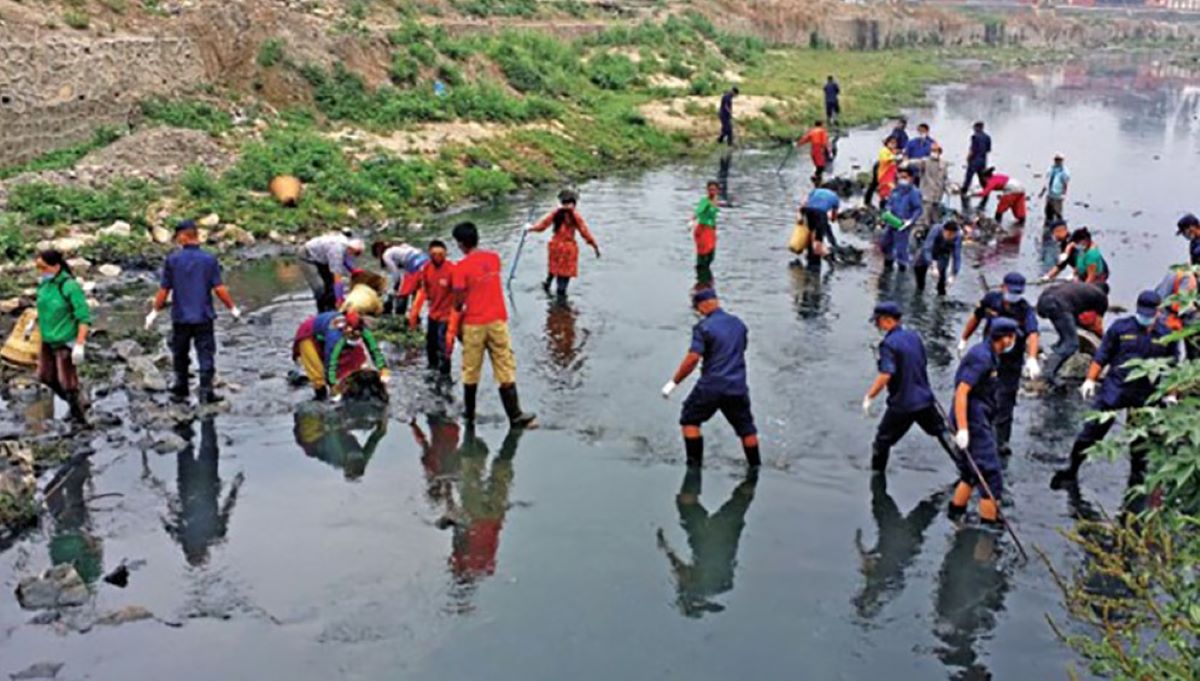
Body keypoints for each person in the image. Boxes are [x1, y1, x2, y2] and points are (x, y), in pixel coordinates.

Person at [1050, 291, 1182, 489]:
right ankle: (1072, 468)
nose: (1145, 317)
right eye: (1143, 312)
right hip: (1115, 388)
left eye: (1150, 313)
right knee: (1091, 431)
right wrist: (1089, 379)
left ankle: (1136, 480)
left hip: (1145, 394)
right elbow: (1102, 355)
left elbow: (1173, 368)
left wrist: (1172, 395)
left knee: (1140, 441)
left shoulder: (1167, 335)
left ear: (1158, 312)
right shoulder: (1121, 328)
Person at [448, 221, 536, 428]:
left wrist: (453, 328)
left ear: (460, 244)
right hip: (497, 321)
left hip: (474, 324)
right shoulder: (494, 259)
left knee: (471, 369)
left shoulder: (461, 268)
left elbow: (458, 302)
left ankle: (469, 415)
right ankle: (515, 415)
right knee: (504, 365)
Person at [145, 220, 241, 405]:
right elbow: (219, 288)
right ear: (196, 235)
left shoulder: (172, 260)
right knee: (205, 353)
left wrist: (154, 312)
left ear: (183, 236)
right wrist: (232, 308)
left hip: (180, 317)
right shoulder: (209, 259)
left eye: (177, 236)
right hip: (203, 316)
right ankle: (206, 392)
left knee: (180, 353)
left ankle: (181, 388)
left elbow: (164, 290)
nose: (176, 240)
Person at [661, 289, 759, 469]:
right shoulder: (739, 324)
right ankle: (755, 466)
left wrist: (673, 382)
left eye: (698, 309)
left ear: (703, 305)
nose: (699, 313)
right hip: (737, 386)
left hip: (711, 386)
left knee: (689, 420)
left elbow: (693, 358)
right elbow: (739, 350)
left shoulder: (703, 327)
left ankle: (694, 466)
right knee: (747, 429)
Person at [861, 302, 958, 473]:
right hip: (925, 399)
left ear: (887, 320)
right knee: (941, 432)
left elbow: (886, 374)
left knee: (882, 441)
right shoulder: (914, 336)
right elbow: (922, 363)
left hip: (902, 404)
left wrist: (870, 396)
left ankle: (877, 475)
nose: (877, 326)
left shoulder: (888, 344)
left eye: (878, 322)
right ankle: (965, 469)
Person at [956, 273, 1040, 456]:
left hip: (1012, 361)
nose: (1014, 296)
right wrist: (963, 339)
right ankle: (973, 431)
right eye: (1012, 291)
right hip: (990, 357)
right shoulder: (991, 301)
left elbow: (1033, 333)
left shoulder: (1025, 310)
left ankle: (1001, 442)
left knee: (1006, 400)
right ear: (1003, 287)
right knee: (982, 396)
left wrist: (1032, 358)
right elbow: (976, 318)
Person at [656, 467, 757, 618]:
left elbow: (685, 573)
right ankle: (694, 469)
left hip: (726, 535)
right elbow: (680, 568)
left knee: (741, 498)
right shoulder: (693, 589)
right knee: (686, 500)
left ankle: (753, 473)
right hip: (703, 535)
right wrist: (667, 550)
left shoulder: (723, 584)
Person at [948, 318, 1019, 524]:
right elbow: (962, 392)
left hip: (979, 416)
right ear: (1005, 339)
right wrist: (963, 429)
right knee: (991, 476)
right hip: (972, 420)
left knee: (971, 472)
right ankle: (988, 531)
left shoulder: (990, 355)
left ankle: (955, 513)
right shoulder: (982, 358)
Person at [34, 250, 91, 425]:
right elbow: (43, 306)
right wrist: (33, 322)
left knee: (67, 382)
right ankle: (77, 401)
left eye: (43, 267)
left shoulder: (69, 286)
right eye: (38, 267)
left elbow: (83, 317)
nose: (41, 271)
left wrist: (79, 344)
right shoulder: (45, 285)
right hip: (47, 337)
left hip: (65, 339)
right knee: (45, 376)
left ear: (56, 266)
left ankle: (80, 419)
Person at [293, 310, 388, 400]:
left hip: (325, 334)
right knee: (318, 374)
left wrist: (382, 368)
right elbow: (331, 363)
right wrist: (332, 385)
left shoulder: (364, 332)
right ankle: (320, 396)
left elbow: (375, 350)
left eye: (358, 336)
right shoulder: (335, 338)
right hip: (309, 335)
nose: (356, 337)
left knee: (356, 360)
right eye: (353, 337)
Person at [527, 188, 600, 298]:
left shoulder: (555, 213)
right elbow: (585, 233)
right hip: (568, 249)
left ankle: (547, 284)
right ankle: (560, 301)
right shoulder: (575, 216)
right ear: (574, 203)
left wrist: (530, 228)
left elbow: (542, 226)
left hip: (555, 246)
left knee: (554, 267)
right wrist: (594, 246)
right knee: (563, 276)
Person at [1036, 282, 1109, 385]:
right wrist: (1105, 343)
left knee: (1065, 337)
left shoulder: (1081, 290)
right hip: (1058, 304)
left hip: (1044, 301)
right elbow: (1097, 326)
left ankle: (1050, 358)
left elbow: (1075, 320)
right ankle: (1049, 373)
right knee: (1071, 344)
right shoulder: (1101, 298)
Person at [407, 239, 456, 377]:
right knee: (430, 345)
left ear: (445, 254)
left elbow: (460, 295)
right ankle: (432, 372)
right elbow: (423, 291)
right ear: (429, 254)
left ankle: (445, 376)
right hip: (433, 314)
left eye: (440, 254)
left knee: (444, 346)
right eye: (434, 254)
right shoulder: (427, 269)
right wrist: (414, 313)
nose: (437, 257)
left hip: (446, 316)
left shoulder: (452, 270)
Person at [300, 232, 365, 312]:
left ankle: (331, 307)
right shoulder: (336, 250)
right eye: (356, 254)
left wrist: (353, 270)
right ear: (351, 249)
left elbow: (345, 258)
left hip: (322, 257)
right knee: (319, 288)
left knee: (330, 286)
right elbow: (337, 278)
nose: (355, 256)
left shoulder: (346, 244)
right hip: (308, 256)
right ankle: (322, 311)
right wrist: (339, 299)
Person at [880, 167, 922, 271]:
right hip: (891, 221)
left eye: (905, 177)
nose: (902, 179)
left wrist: (910, 221)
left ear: (911, 178)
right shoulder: (896, 189)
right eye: (900, 176)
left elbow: (918, 209)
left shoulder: (914, 193)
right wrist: (888, 211)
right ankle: (888, 262)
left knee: (901, 248)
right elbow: (890, 202)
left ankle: (902, 268)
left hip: (902, 224)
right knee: (885, 243)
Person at [372, 241, 428, 315]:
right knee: (416, 290)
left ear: (378, 252)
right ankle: (415, 316)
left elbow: (395, 273)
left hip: (416, 265)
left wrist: (396, 286)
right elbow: (404, 272)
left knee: (404, 293)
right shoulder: (399, 247)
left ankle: (402, 316)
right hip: (426, 260)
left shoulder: (386, 255)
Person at [905, 143, 949, 230]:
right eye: (933, 150)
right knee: (924, 217)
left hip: (938, 195)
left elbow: (945, 178)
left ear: (940, 152)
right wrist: (906, 161)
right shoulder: (925, 162)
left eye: (936, 151)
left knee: (935, 217)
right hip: (926, 194)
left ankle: (933, 231)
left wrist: (948, 187)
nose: (934, 152)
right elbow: (915, 163)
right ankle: (921, 232)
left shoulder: (943, 164)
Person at [1041, 227, 1108, 285]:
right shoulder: (1080, 250)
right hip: (1083, 275)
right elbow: (1077, 265)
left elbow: (1091, 278)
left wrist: (1081, 288)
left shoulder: (1091, 255)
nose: (1076, 246)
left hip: (1095, 279)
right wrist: (1074, 274)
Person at [914, 220, 962, 295]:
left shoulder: (958, 236)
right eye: (948, 234)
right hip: (929, 250)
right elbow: (927, 248)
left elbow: (957, 256)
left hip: (943, 253)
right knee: (919, 269)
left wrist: (953, 275)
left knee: (942, 277)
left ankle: (941, 293)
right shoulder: (936, 229)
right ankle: (919, 290)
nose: (950, 237)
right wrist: (932, 266)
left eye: (952, 235)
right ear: (943, 231)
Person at [800, 183, 840, 260]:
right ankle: (821, 256)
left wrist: (801, 215)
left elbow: (805, 202)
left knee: (811, 231)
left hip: (808, 210)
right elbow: (833, 217)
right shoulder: (835, 197)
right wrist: (829, 219)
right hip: (820, 212)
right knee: (819, 236)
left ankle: (810, 252)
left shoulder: (816, 190)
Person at [693, 181, 721, 286]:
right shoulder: (705, 201)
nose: (712, 192)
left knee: (711, 254)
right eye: (710, 190)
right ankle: (701, 279)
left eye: (714, 190)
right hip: (703, 230)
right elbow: (699, 211)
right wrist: (693, 219)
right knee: (703, 254)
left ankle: (706, 278)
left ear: (717, 190)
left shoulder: (715, 201)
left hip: (711, 230)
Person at [796, 120, 832, 185]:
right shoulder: (822, 131)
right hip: (819, 148)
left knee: (818, 165)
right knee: (821, 166)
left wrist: (798, 144)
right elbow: (824, 141)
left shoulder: (812, 131)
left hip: (813, 149)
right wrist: (828, 150)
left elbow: (805, 139)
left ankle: (818, 179)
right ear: (821, 124)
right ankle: (816, 178)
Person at [962, 121, 991, 196]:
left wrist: (968, 158)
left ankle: (964, 191)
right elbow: (988, 149)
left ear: (977, 128)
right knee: (982, 177)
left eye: (974, 128)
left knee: (969, 177)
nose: (974, 129)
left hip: (974, 160)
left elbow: (972, 149)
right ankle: (986, 191)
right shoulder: (987, 137)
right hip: (983, 160)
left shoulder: (975, 137)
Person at [1042, 154, 1070, 223]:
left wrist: (1064, 193)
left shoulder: (1064, 171)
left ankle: (1059, 228)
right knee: (1048, 213)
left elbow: (1065, 183)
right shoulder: (1051, 169)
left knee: (1058, 213)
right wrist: (1043, 191)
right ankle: (1047, 227)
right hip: (1050, 194)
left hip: (1058, 196)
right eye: (1056, 160)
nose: (1057, 161)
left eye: (1059, 160)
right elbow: (1047, 180)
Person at [875, 136, 901, 205]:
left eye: (895, 143)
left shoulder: (892, 151)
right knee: (885, 192)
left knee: (890, 193)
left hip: (891, 175)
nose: (893, 144)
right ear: (887, 143)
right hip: (884, 175)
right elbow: (885, 159)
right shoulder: (884, 150)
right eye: (891, 142)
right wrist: (894, 157)